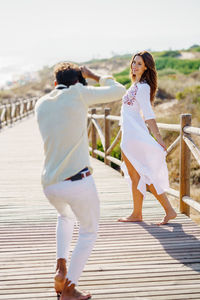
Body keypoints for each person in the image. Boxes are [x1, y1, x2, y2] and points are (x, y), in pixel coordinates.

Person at [35, 62, 126, 300]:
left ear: (55, 83)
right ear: (78, 81)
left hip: (50, 184)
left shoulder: (41, 103)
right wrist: (94, 76)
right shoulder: (79, 93)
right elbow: (120, 91)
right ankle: (69, 288)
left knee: (65, 216)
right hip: (77, 182)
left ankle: (61, 267)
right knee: (88, 232)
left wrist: (77, 82)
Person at [118, 51, 177, 225]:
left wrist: (158, 137)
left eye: (139, 64)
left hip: (134, 136)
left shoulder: (143, 87)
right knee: (135, 175)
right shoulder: (136, 84)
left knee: (143, 173)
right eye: (134, 62)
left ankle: (168, 209)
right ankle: (137, 213)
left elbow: (148, 114)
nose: (134, 66)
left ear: (146, 67)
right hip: (128, 135)